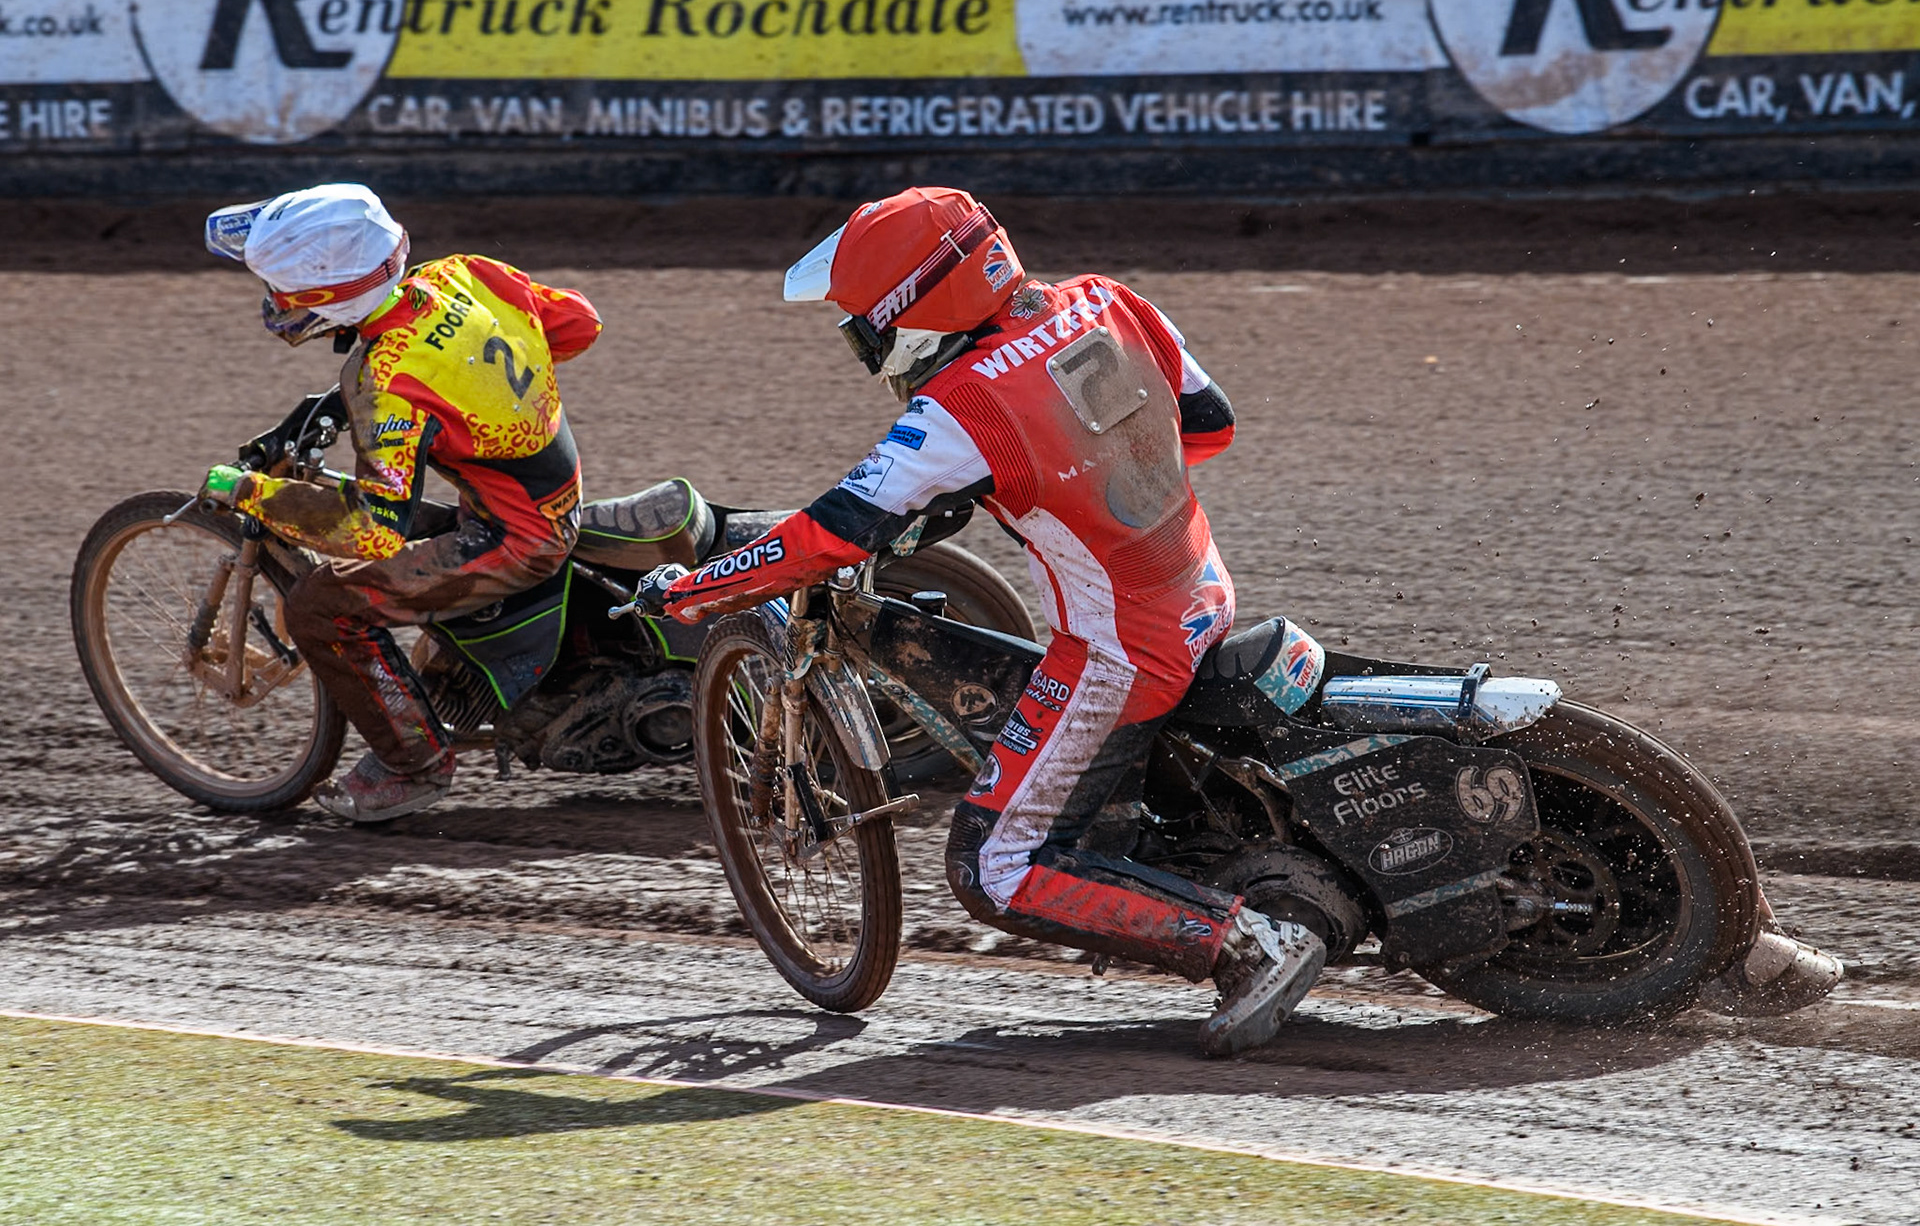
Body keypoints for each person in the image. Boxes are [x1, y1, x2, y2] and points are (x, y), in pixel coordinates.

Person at [657, 187, 1323, 1056]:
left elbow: (831, 533)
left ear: (913, 309)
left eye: (864, 328)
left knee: (993, 868)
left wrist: (690, 592)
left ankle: (1250, 945)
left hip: (1121, 651)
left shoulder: (962, 407)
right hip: (1201, 587)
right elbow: (1207, 426)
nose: (866, 349)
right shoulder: (1112, 299)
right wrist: (1072, 480)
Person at [198, 183, 602, 822]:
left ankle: (413, 766)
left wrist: (253, 491)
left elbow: (374, 530)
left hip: (518, 539)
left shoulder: (383, 379)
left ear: (325, 298)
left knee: (320, 609)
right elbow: (578, 323)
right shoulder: (465, 273)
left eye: (281, 290)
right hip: (548, 488)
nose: (274, 301)